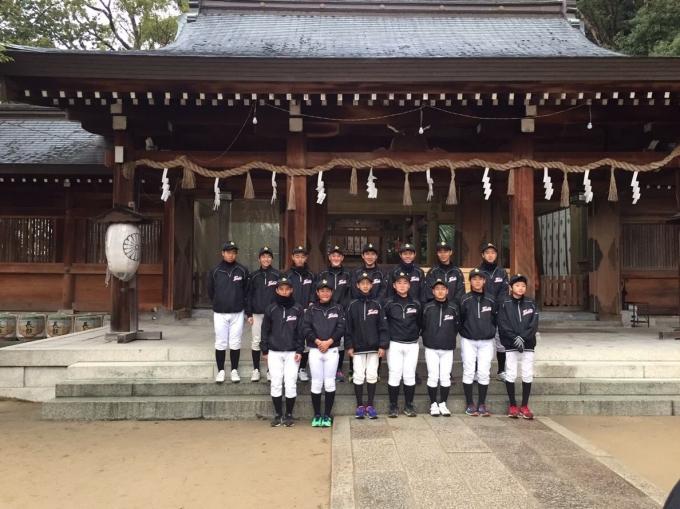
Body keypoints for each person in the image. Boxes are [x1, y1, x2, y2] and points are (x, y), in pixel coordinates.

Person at [301, 280, 345, 427]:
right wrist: (318, 341)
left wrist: (329, 342)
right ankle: (317, 415)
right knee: (316, 382)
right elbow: (305, 328)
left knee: (330, 382)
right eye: (322, 291)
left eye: (328, 291)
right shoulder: (312, 309)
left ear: (332, 293)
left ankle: (327, 415)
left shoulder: (338, 308)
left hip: (332, 350)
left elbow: (341, 327)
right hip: (315, 350)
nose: (325, 293)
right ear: (317, 293)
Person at [345, 272, 390, 420]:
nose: (365, 286)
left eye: (367, 283)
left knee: (371, 375)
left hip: (374, 347)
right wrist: (349, 345)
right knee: (358, 375)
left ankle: (370, 406)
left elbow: (383, 326)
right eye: (362, 283)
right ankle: (359, 406)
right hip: (357, 347)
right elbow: (348, 327)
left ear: (371, 285)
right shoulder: (352, 304)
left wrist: (382, 345)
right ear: (357, 285)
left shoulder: (377, 304)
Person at [261, 277, 305, 427]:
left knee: (291, 382)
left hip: (292, 352)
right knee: (276, 382)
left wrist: (300, 349)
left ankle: (289, 415)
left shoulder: (298, 308)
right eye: (281, 289)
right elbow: (265, 330)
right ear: (277, 290)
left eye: (287, 289)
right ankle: (278, 414)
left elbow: (301, 331)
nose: (284, 292)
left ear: (291, 290)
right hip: (274, 351)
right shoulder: (271, 309)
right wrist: (264, 350)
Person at [497, 274, 539, 420]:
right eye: (517, 285)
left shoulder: (531, 303)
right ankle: (513, 405)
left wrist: (523, 337)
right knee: (511, 373)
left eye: (523, 286)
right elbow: (502, 323)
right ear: (510, 287)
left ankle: (525, 405)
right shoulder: (504, 303)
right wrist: (514, 338)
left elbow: (534, 324)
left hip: (528, 343)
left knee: (527, 373)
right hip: (511, 343)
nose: (520, 288)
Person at [207, 241, 249, 384]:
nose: (231, 255)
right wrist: (219, 301)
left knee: (235, 342)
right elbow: (210, 291)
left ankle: (234, 370)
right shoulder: (215, 270)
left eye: (234, 253)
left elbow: (246, 290)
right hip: (220, 312)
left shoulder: (242, 270)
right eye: (228, 252)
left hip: (237, 312)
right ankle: (220, 371)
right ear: (223, 253)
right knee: (221, 341)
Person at [458, 268, 497, 417]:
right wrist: (466, 331)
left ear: (484, 281)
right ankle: (470, 404)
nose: (477, 281)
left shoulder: (491, 299)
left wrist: (489, 330)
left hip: (486, 341)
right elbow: (460, 319)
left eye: (480, 279)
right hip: (469, 340)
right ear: (470, 281)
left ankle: (481, 404)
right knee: (468, 371)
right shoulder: (464, 299)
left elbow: (495, 318)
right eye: (474, 279)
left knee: (484, 372)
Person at [384, 271, 423, 417]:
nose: (402, 285)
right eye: (399, 283)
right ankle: (393, 406)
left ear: (409, 285)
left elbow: (420, 323)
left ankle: (409, 406)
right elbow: (384, 323)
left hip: (412, 344)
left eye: (405, 283)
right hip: (394, 343)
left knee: (409, 374)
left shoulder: (416, 303)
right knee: (394, 374)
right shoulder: (388, 302)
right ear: (394, 285)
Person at [387, 242, 426, 384]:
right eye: (405, 253)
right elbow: (389, 292)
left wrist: (420, 310)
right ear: (400, 255)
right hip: (397, 313)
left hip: (414, 312)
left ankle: (411, 372)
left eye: (410, 253)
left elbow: (423, 294)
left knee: (412, 348)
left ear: (414, 255)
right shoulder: (394, 271)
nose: (407, 256)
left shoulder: (419, 272)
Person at [422, 279, 461, 417]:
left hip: (447, 348)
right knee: (433, 376)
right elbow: (423, 325)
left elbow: (457, 326)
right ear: (433, 291)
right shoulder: (427, 307)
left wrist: (448, 336)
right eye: (437, 289)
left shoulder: (453, 308)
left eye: (443, 289)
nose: (440, 291)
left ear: (447, 291)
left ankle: (443, 403)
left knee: (445, 376)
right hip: (431, 347)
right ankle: (433, 404)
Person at [245, 246, 282, 382]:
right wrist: (249, 313)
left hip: (273, 314)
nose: (266, 259)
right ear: (259, 259)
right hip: (257, 313)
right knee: (256, 340)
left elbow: (282, 294)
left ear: (272, 258)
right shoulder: (254, 276)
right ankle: (256, 369)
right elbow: (249, 295)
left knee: (271, 341)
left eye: (268, 257)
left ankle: (269, 370)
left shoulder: (277, 275)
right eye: (263, 257)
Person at [316, 246, 351, 383]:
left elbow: (350, 293)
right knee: (325, 336)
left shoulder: (347, 274)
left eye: (338, 256)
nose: (336, 258)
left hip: (342, 310)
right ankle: (323, 367)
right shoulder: (323, 273)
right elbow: (317, 291)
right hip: (325, 310)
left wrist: (346, 307)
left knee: (340, 341)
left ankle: (338, 369)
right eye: (333, 256)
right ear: (329, 257)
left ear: (342, 258)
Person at [284, 245, 317, 383]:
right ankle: (291, 367)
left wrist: (310, 304)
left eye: (302, 257)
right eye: (297, 256)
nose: (299, 259)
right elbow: (283, 292)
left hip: (307, 313)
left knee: (305, 340)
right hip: (291, 312)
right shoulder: (287, 275)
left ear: (306, 258)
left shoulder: (312, 275)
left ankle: (302, 369)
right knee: (292, 338)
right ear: (292, 257)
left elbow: (315, 292)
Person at [478, 242, 510, 382]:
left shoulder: (501, 272)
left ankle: (501, 371)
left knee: (501, 343)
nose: (490, 255)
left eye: (493, 253)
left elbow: (504, 293)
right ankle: (478, 371)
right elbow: (477, 291)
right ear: (483, 255)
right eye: (487, 253)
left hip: (498, 312)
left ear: (496, 255)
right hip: (482, 311)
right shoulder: (478, 272)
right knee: (481, 342)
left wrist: (495, 307)